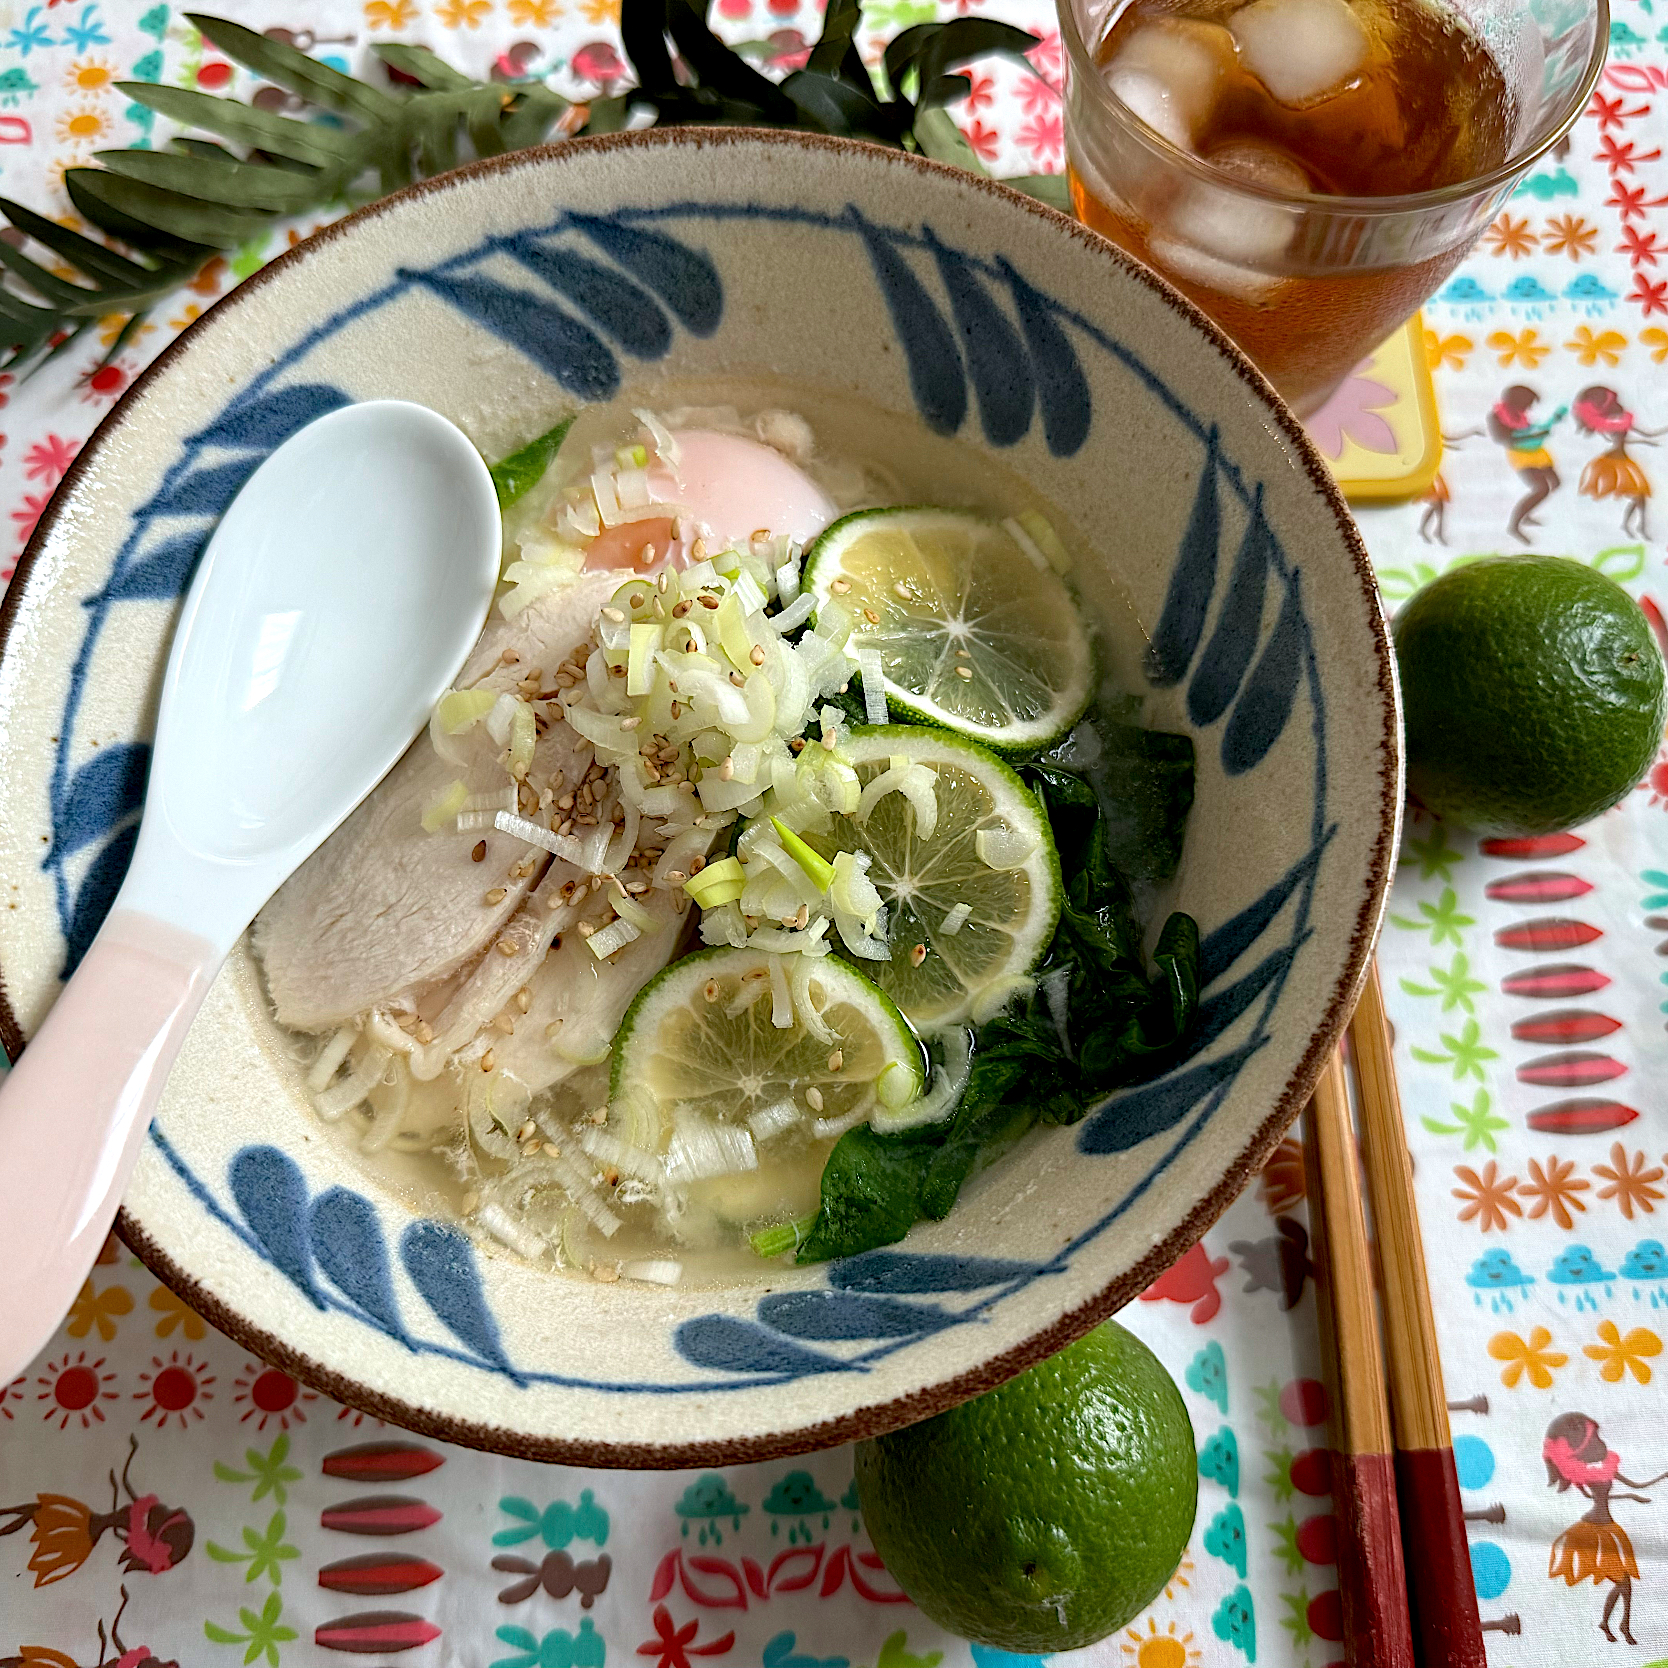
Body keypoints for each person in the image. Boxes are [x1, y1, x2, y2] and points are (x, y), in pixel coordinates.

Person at [1544, 1412, 1668, 1645]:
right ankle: (1621, 1625)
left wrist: (1647, 1485)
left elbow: (1637, 1483)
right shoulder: (1585, 1475)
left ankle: (1614, 1624)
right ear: (1580, 1446)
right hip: (1593, 1531)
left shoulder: (1605, 1469)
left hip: (1608, 1526)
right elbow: (1598, 1496)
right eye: (1596, 1438)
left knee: (1624, 1583)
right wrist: (1630, 1494)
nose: (1601, 1443)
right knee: (1624, 1582)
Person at [1573, 385, 1660, 538]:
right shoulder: (1609, 425)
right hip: (1614, 462)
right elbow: (1623, 439)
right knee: (1638, 495)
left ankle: (1634, 525)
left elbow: (1646, 434)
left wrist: (1649, 439)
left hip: (1623, 460)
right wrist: (1645, 441)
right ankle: (1635, 526)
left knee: (1640, 496)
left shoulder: (1622, 422)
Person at [1488, 386, 1566, 544]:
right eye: (1528, 404)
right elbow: (1503, 440)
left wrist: (1546, 425)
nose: (1529, 408)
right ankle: (1514, 526)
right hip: (1521, 456)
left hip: (1538, 452)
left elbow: (1526, 428)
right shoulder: (1496, 416)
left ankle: (1527, 514)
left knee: (1556, 483)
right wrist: (1533, 436)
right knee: (1541, 489)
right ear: (1516, 401)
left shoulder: (1518, 413)